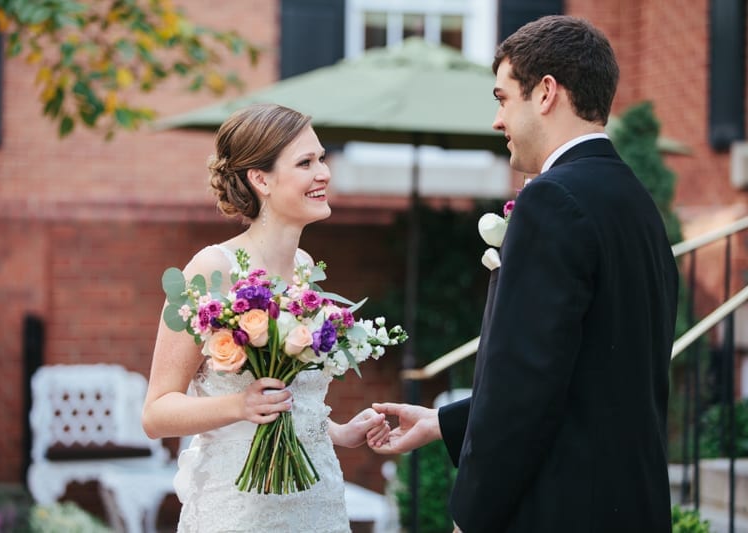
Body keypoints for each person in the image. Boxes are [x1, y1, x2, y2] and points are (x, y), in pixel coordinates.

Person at [371, 15, 679, 533]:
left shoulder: (550, 199)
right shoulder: (635, 202)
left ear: (545, 93)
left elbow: (525, 383)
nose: (497, 120)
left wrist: (471, 513)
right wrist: (443, 422)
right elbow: (590, 375)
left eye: (502, 97)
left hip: (560, 509)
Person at [142, 103, 390, 533]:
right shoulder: (211, 269)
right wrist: (239, 405)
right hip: (239, 509)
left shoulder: (305, 269)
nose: (324, 173)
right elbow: (157, 412)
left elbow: (292, 401)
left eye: (322, 159)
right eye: (306, 163)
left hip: (316, 502)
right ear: (261, 180)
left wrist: (340, 431)